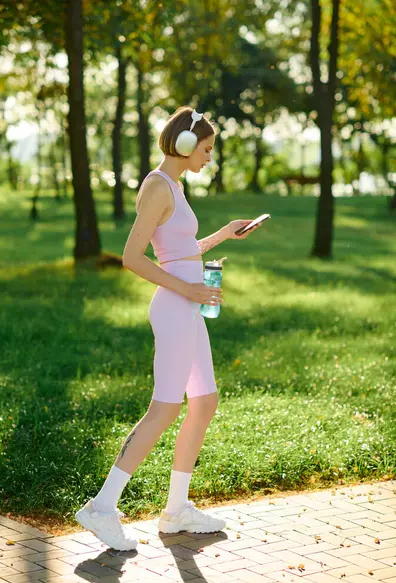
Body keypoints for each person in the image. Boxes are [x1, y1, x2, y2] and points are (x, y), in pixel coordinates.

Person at [75, 106, 263, 551]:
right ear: (183, 144)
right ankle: (101, 507)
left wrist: (222, 235)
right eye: (206, 148)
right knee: (165, 407)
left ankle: (176, 509)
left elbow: (179, 248)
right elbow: (133, 257)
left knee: (204, 401)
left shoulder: (174, 186)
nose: (209, 158)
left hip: (188, 306)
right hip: (176, 308)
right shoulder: (157, 187)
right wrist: (188, 290)